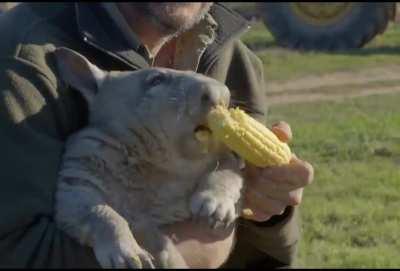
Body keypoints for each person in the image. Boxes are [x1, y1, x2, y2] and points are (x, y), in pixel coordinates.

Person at [0, 2, 313, 268]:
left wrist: (268, 211)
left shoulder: (230, 57)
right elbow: (16, 252)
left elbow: (265, 258)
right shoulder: (23, 57)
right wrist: (194, 246)